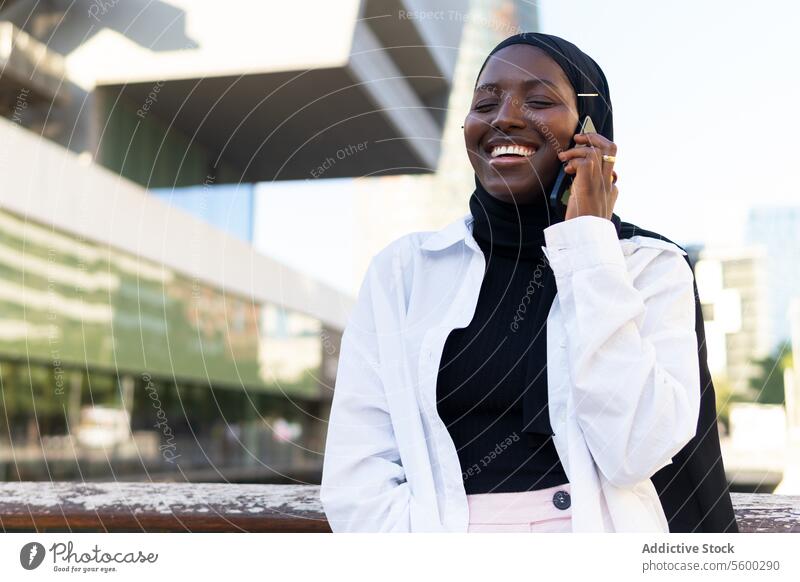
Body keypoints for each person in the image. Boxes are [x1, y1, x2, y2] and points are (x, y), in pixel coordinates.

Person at [320, 32, 738, 533]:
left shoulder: (648, 265)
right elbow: (357, 471)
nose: (505, 117)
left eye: (539, 100)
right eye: (485, 103)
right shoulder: (403, 271)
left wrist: (587, 244)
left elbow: (636, 450)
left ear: (591, 130)